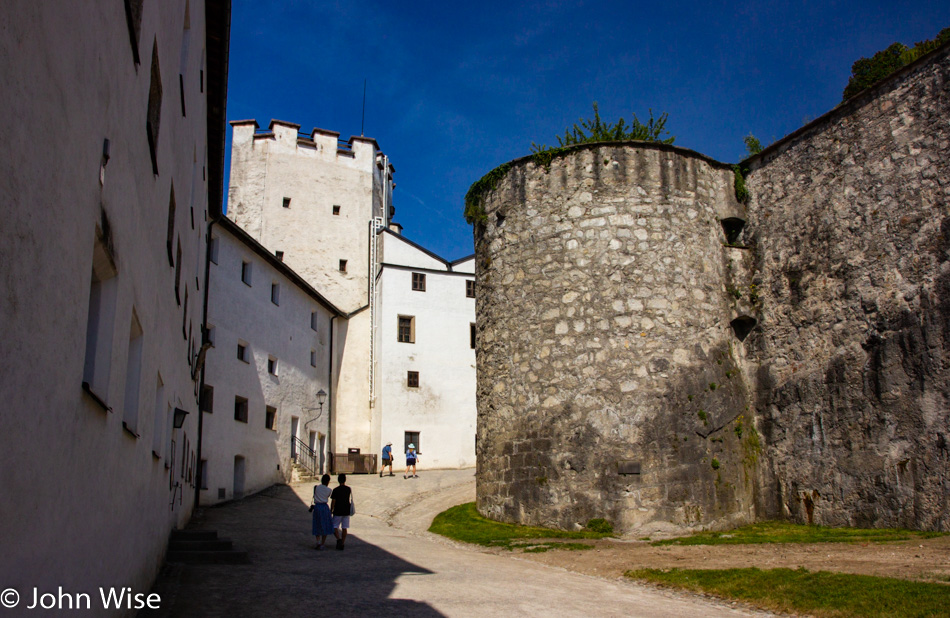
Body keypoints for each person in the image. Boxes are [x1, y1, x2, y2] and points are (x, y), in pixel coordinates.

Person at [329, 474, 354, 550]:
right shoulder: (348, 489)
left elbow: (333, 501)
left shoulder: (336, 490)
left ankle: (338, 539)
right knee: (344, 528)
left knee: (334, 526)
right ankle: (342, 543)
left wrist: (331, 510)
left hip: (338, 510)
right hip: (346, 510)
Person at [311, 474, 334, 550]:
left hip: (317, 507)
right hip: (324, 507)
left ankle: (318, 541)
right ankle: (322, 543)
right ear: (328, 481)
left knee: (317, 523)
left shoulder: (316, 488)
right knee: (325, 525)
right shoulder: (329, 490)